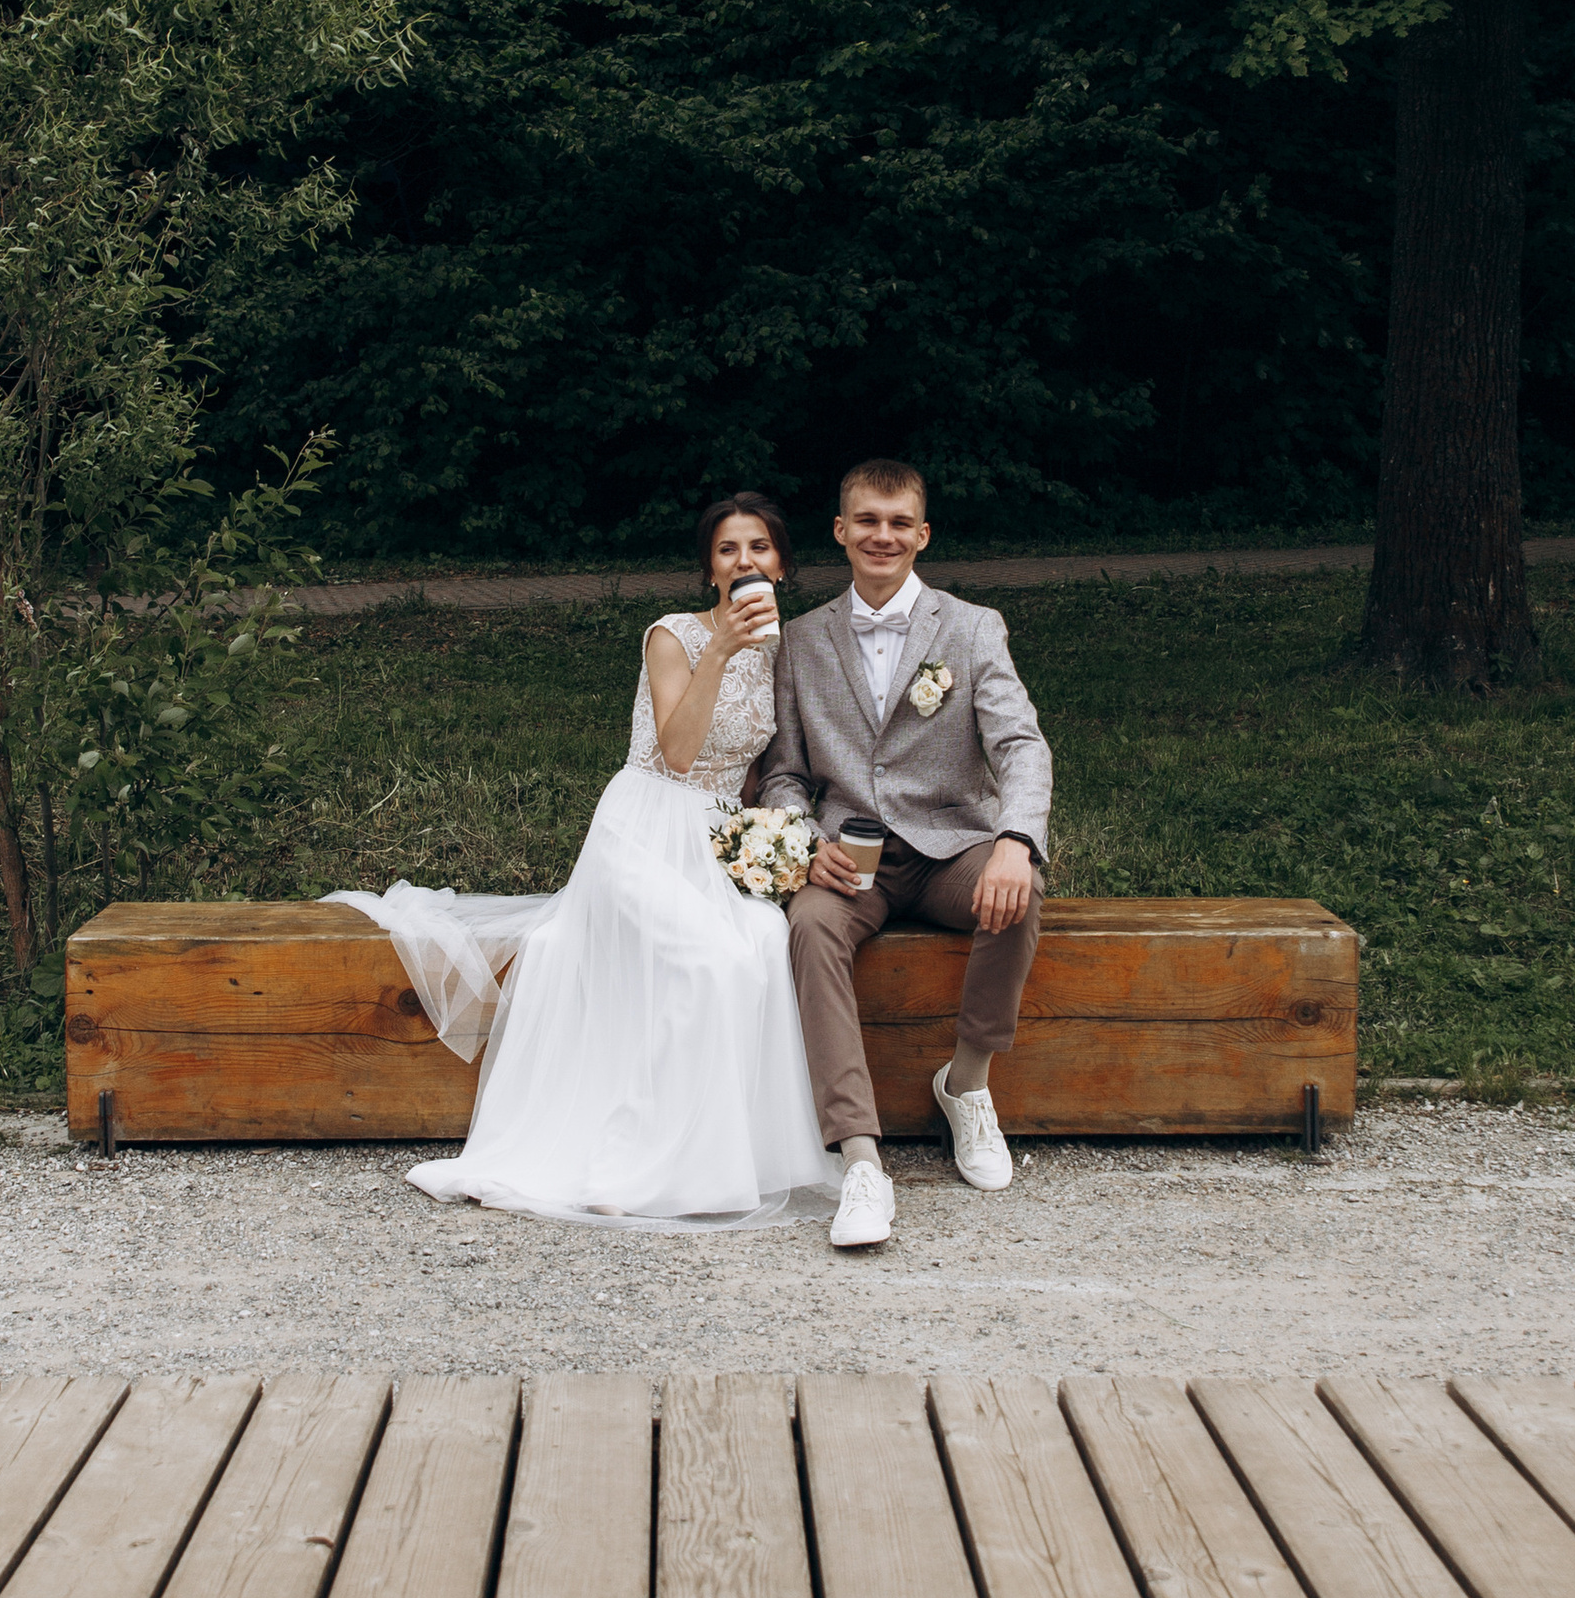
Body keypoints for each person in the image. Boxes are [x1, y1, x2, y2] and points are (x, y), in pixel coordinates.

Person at [334, 495, 843, 1229]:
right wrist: (721, 650)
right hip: (642, 834)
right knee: (712, 960)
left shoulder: (781, 651)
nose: (744, 562)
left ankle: (731, 1158)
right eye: (727, 550)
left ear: (782, 565)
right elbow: (678, 752)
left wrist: (773, 842)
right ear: (710, 571)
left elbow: (755, 766)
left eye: (758, 548)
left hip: (716, 841)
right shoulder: (672, 636)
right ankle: (625, 1157)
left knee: (763, 939)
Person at [757, 457, 1052, 1253]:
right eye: (867, 520)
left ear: (922, 534)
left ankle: (966, 1085)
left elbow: (1021, 745)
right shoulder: (802, 640)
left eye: (898, 523)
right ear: (840, 530)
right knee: (809, 925)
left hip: (953, 844)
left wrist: (1016, 840)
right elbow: (784, 772)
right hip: (851, 856)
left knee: (1021, 891)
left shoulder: (972, 627)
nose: (881, 535)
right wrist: (803, 839)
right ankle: (859, 1158)